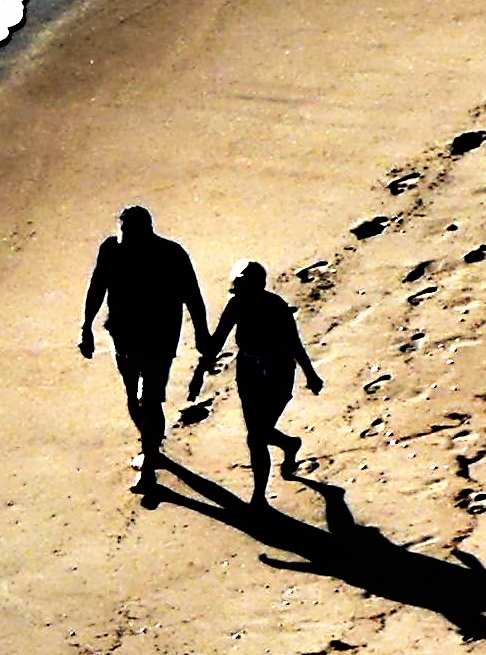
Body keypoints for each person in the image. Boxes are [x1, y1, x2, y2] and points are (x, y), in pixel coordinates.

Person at [78, 204, 211, 496]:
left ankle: (149, 467)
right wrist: (86, 327)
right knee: (132, 396)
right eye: (122, 233)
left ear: (147, 231)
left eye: (131, 234)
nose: (125, 239)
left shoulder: (172, 254)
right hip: (122, 336)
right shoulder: (111, 250)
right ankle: (152, 444)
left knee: (147, 399)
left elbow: (193, 296)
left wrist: (202, 334)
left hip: (159, 338)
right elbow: (97, 288)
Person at [197, 260, 324, 502]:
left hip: (279, 371)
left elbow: (294, 344)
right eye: (238, 289)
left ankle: (259, 497)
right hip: (247, 370)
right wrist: (199, 373)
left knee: (257, 436)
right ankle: (287, 446)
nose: (241, 294)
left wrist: (311, 374)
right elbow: (218, 341)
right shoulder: (235, 305)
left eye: (245, 288)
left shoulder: (276, 306)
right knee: (257, 434)